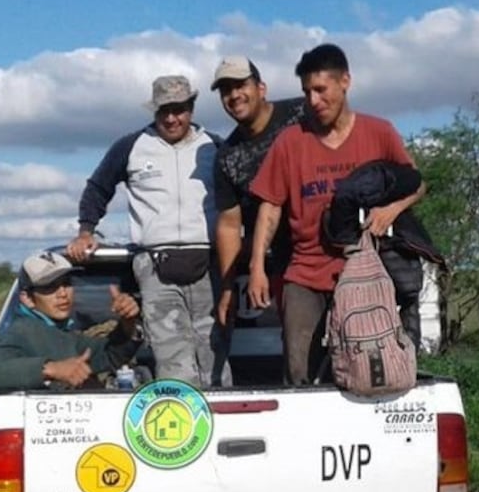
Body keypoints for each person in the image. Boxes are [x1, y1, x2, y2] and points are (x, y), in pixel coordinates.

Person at [247, 43, 426, 384]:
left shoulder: (379, 132)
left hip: (366, 272)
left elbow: (416, 184)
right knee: (299, 370)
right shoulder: (290, 141)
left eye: (320, 89)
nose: (313, 100)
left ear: (345, 82)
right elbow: (270, 206)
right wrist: (257, 267)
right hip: (307, 272)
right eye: (306, 92)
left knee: (369, 369)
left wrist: (391, 210)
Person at [65, 75, 228, 387]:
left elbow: (242, 198)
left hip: (209, 261)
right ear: (154, 111)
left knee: (214, 353)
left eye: (179, 110)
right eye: (164, 111)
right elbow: (98, 187)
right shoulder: (130, 146)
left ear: (191, 108)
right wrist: (87, 230)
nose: (172, 118)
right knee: (173, 360)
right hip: (154, 265)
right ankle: (183, 416)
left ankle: (223, 412)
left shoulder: (216, 146)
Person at [210, 56, 306, 332]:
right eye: (226, 90)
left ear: (261, 88)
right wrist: (228, 287)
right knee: (298, 347)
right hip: (282, 262)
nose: (234, 95)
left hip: (331, 249)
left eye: (241, 85)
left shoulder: (302, 113)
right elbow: (229, 225)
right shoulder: (227, 156)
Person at [0, 251, 143, 393]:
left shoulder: (62, 332)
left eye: (66, 283)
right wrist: (51, 369)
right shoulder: (22, 330)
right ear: (27, 299)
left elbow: (109, 355)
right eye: (49, 287)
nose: (62, 293)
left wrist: (127, 323)